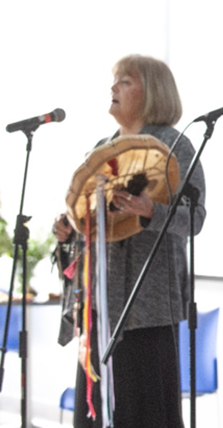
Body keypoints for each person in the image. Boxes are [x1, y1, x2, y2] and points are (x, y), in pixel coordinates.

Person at [54, 55, 205, 428]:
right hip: (99, 309)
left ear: (152, 92)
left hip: (149, 310)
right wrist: (69, 232)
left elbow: (196, 220)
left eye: (125, 81)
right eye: (114, 81)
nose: (113, 88)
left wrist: (149, 210)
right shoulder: (100, 149)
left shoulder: (175, 146)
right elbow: (88, 219)